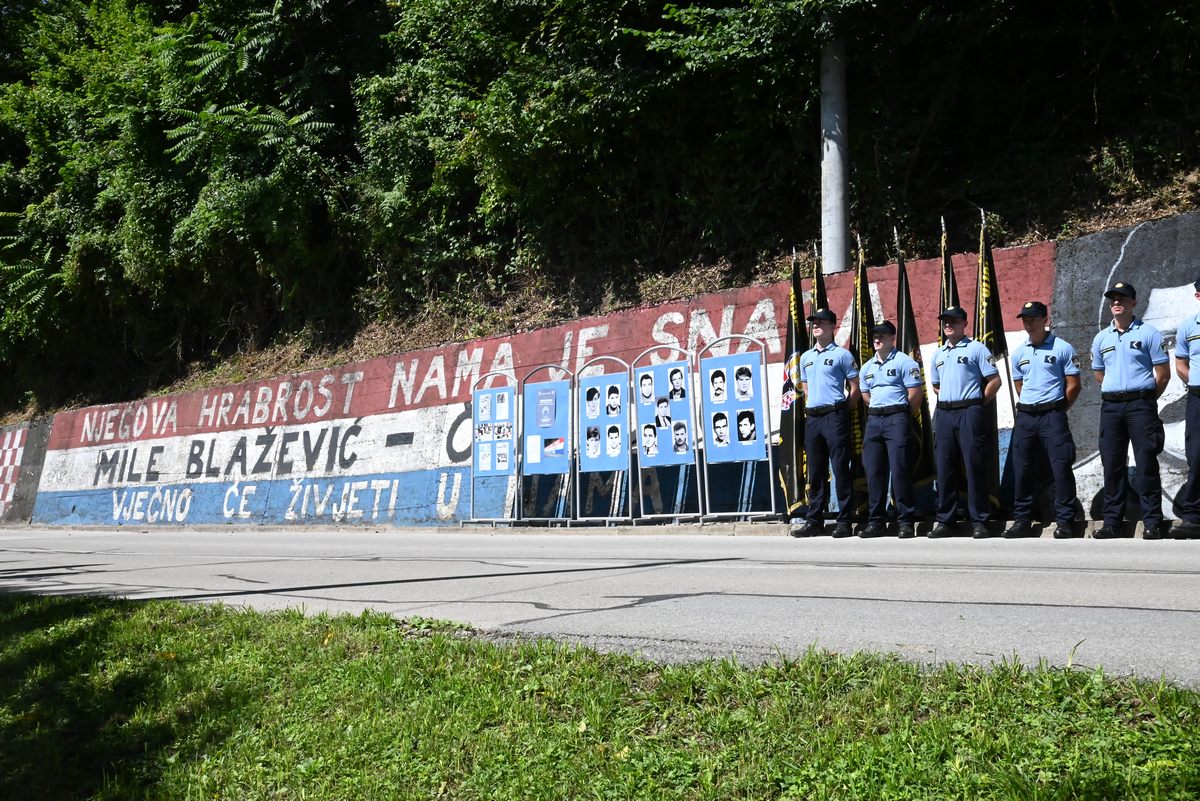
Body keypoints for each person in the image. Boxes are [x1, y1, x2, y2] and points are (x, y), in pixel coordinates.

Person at [1091, 281, 1170, 539]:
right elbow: (1099, 373)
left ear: (1133, 303)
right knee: (1112, 465)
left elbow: (1163, 375)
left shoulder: (1148, 334)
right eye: (1113, 299)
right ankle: (1112, 522)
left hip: (1141, 406)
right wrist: (1118, 390)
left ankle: (1152, 522)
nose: (1116, 302)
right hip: (1112, 407)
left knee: (1146, 463)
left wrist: (1145, 399)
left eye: (1122, 298)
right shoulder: (1101, 338)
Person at [1004, 302, 1082, 540]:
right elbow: (1020, 386)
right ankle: (1022, 520)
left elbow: (1074, 385)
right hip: (1026, 416)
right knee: (1023, 469)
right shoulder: (1019, 353)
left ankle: (1066, 520)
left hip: (1052, 415)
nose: (1029, 324)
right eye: (1025, 319)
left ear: (1044, 319)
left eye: (1033, 319)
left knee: (1061, 467)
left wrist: (1057, 408)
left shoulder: (1062, 348)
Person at [930, 306, 1001, 538]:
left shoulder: (977, 349)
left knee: (974, 465)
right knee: (945, 467)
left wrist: (979, 402)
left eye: (954, 321)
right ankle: (945, 520)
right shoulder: (939, 354)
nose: (949, 324)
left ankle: (979, 520)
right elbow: (936, 385)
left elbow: (994, 380)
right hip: (945, 413)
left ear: (964, 323)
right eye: (945, 321)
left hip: (970, 410)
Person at [791, 308, 860, 538]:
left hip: (834, 415)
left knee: (840, 467)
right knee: (816, 470)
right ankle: (815, 520)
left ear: (832, 326)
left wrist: (840, 409)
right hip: (813, 417)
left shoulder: (842, 355)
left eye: (821, 322)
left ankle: (844, 519)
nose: (816, 325)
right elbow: (806, 388)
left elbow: (855, 388)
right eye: (814, 322)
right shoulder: (807, 358)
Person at [858, 320, 924, 539]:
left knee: (900, 469)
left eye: (882, 335)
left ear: (892, 338)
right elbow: (866, 396)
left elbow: (915, 394)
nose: (877, 339)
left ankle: (905, 521)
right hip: (875, 420)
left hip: (897, 418)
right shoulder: (867, 367)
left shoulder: (905, 362)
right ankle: (875, 521)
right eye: (875, 335)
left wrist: (902, 415)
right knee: (874, 472)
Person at [1174, 279, 1200, 539]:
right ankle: (1193, 517)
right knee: (1197, 456)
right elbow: (1180, 363)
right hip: (1198, 398)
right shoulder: (1189, 326)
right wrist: (1194, 380)